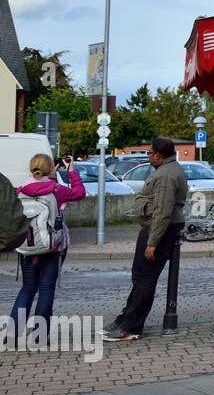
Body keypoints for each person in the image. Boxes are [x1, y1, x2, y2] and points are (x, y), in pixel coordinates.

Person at [103, 138, 189, 342]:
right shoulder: (167, 170)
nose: (148, 156)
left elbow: (162, 212)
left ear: (159, 155)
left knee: (144, 280)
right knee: (140, 278)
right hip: (156, 227)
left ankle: (131, 327)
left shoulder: (166, 175)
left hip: (157, 229)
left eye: (150, 153)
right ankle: (124, 320)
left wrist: (152, 243)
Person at [9, 154, 84, 343]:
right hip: (53, 246)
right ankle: (39, 336)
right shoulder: (56, 189)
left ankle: (12, 333)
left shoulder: (21, 191)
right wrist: (71, 171)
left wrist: (50, 173)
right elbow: (79, 193)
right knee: (46, 288)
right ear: (51, 169)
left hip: (28, 246)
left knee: (27, 288)